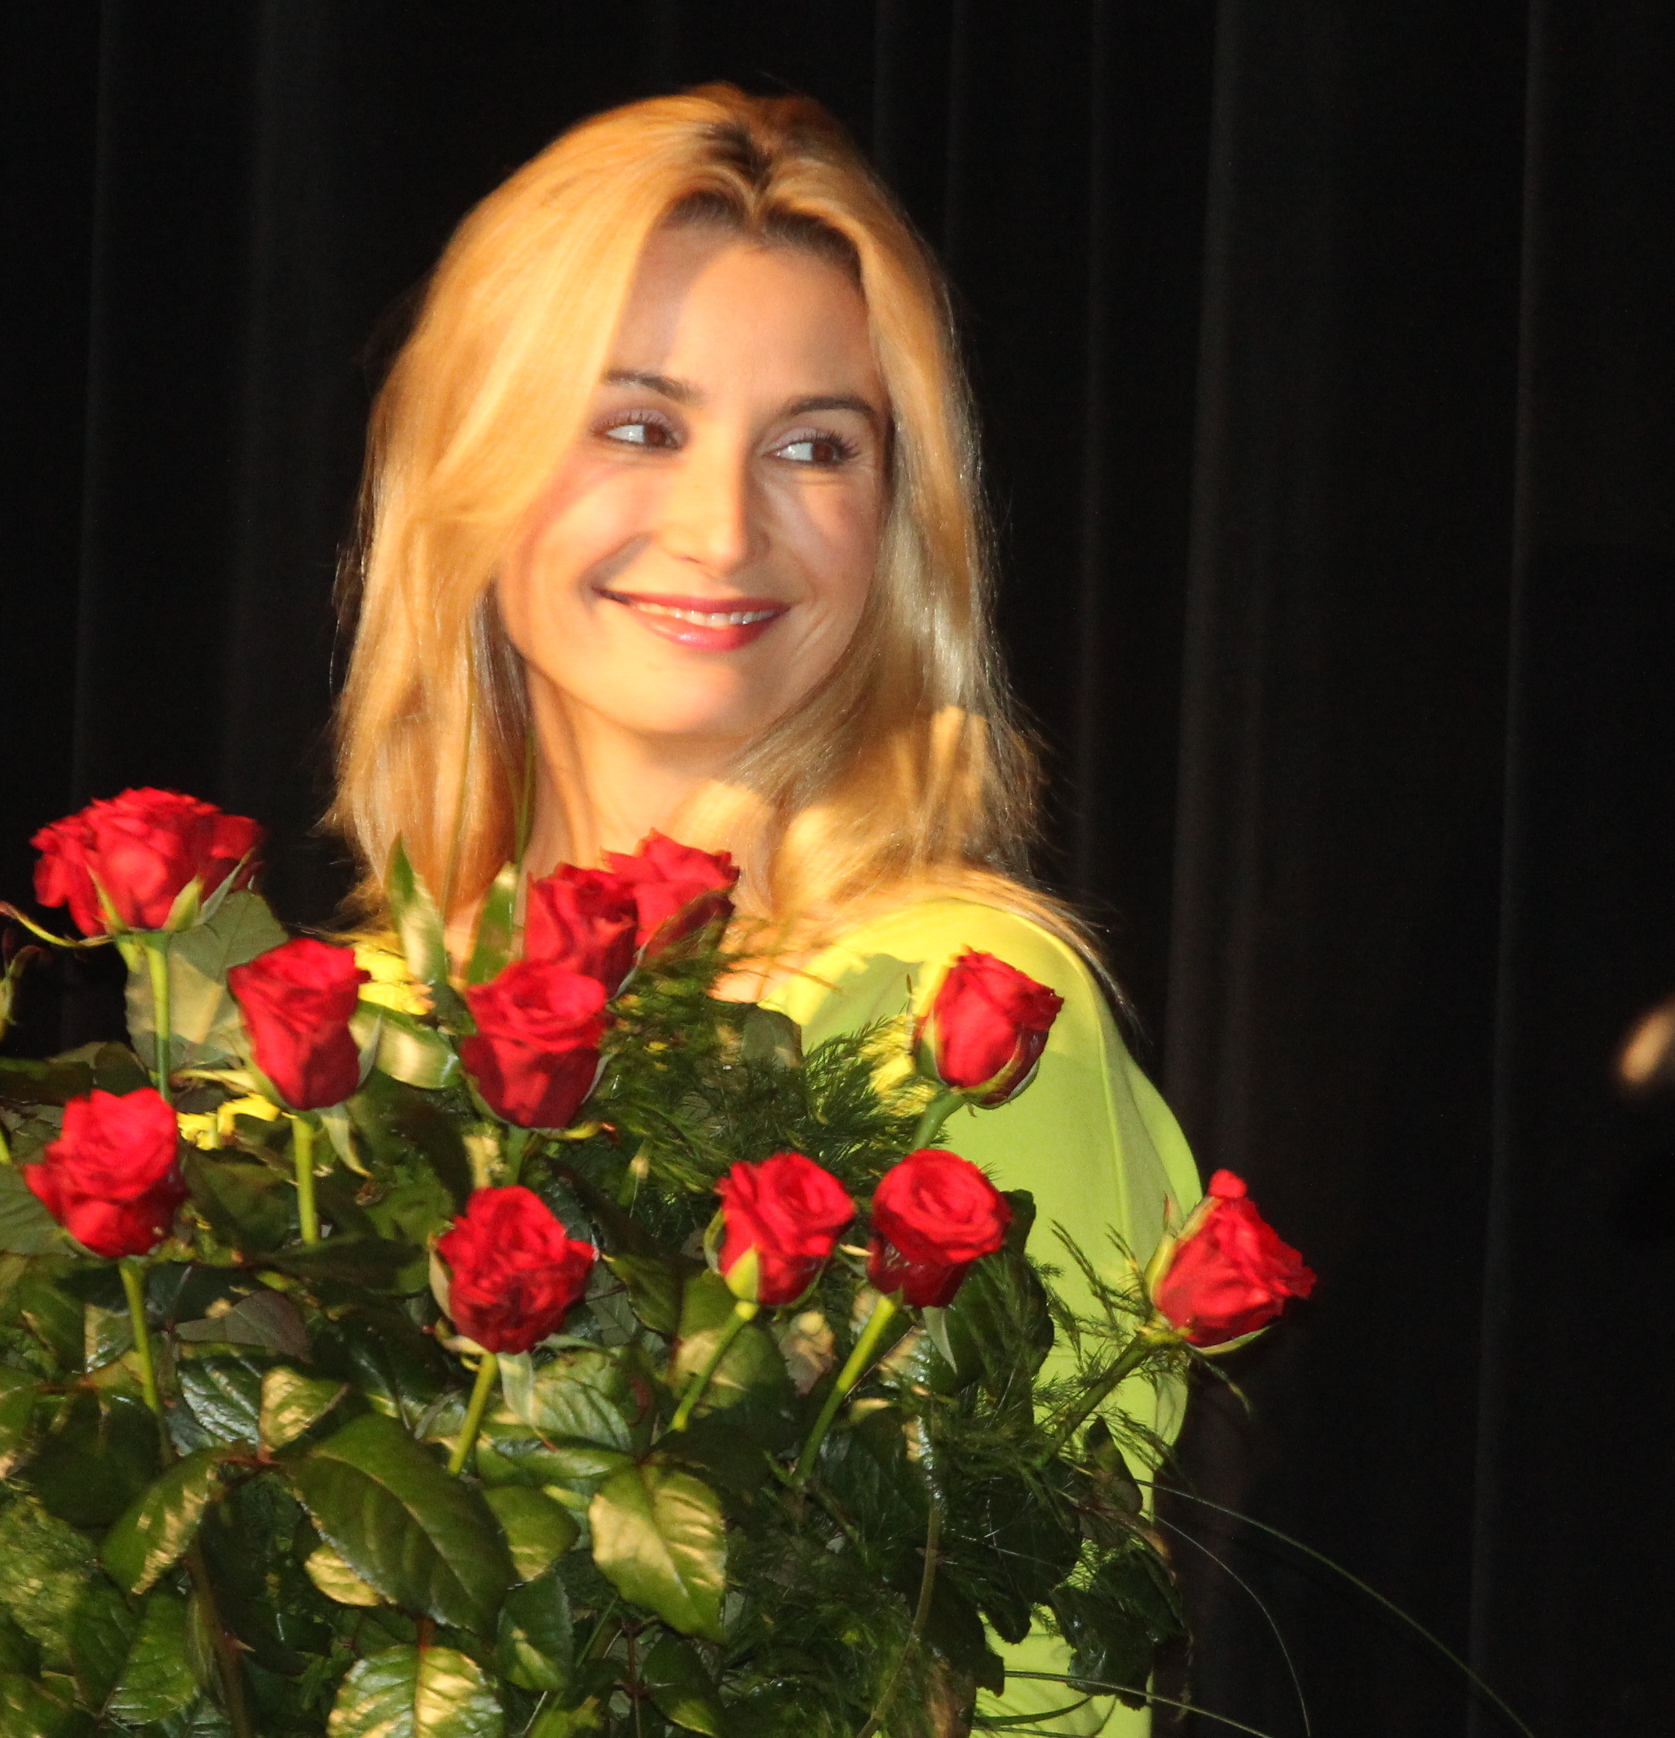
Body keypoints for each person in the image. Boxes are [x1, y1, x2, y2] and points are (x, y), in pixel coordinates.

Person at [326, 84, 1201, 1736]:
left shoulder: (960, 1014)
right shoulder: (320, 1048)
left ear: (899, 530)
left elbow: (1026, 1669)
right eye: (638, 426)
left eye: (815, 446)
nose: (723, 528)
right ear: (472, 467)